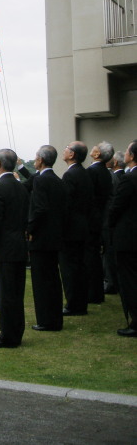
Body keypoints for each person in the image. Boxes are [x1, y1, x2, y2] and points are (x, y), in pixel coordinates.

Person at [0, 148, 29, 348]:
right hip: (19, 245)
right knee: (16, 292)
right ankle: (16, 331)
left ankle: (8, 335)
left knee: (4, 293)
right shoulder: (21, 187)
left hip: (4, 248)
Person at [25, 145, 67, 332]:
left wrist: (30, 228)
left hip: (41, 238)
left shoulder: (41, 181)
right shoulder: (58, 180)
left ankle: (46, 320)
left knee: (42, 281)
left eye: (36, 157)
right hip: (55, 235)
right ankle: (55, 318)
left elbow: (40, 208)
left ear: (41, 160)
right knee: (53, 279)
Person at [59, 141, 94, 316]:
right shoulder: (84, 173)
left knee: (70, 268)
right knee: (80, 267)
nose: (64, 150)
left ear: (72, 154)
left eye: (67, 147)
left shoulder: (70, 175)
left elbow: (66, 204)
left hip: (71, 230)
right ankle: (80, 302)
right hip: (82, 227)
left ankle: (73, 304)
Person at [108, 140, 137, 337]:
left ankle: (135, 320)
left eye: (127, 151)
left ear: (132, 156)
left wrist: (109, 227)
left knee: (129, 281)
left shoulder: (129, 179)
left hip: (128, 238)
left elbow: (116, 207)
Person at [86, 141, 114, 303]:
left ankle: (92, 293)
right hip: (100, 218)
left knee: (90, 258)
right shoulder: (104, 172)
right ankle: (97, 292)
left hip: (92, 219)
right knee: (95, 257)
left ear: (97, 155)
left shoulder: (92, 171)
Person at [103, 151, 126, 294]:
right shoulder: (123, 177)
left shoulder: (114, 178)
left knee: (109, 254)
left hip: (112, 222)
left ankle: (110, 282)